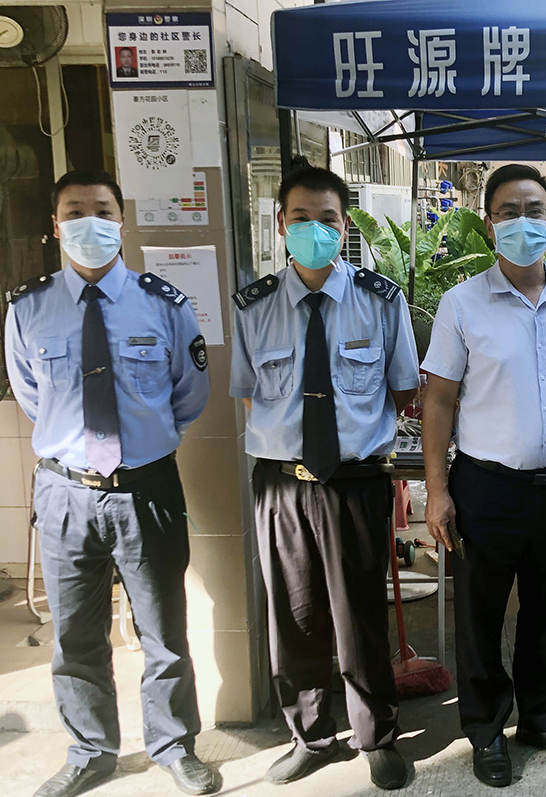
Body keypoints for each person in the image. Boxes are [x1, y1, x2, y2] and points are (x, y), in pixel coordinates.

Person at [5, 170, 216, 797]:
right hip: (65, 493)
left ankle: (174, 747)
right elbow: (31, 396)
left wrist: (141, 446)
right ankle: (90, 751)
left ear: (121, 222)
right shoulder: (28, 308)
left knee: (164, 631)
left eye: (102, 210)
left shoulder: (164, 304)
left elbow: (188, 394)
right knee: (75, 636)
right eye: (75, 212)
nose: (89, 222)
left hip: (146, 488)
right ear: (56, 225)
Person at [421, 163, 546, 788]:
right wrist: (437, 491)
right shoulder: (462, 303)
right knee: (479, 613)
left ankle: (540, 716)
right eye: (509, 212)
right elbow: (438, 401)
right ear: (489, 225)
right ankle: (485, 730)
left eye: (534, 211)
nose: (523, 223)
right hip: (487, 487)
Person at [230, 165, 419, 791]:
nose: (315, 229)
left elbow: (402, 390)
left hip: (355, 481)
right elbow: (250, 397)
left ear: (345, 227)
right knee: (294, 616)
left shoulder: (381, 300)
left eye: (328, 219)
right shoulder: (254, 307)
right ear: (281, 223)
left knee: (360, 615)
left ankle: (377, 736)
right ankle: (310, 736)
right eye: (301, 218)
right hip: (282, 484)